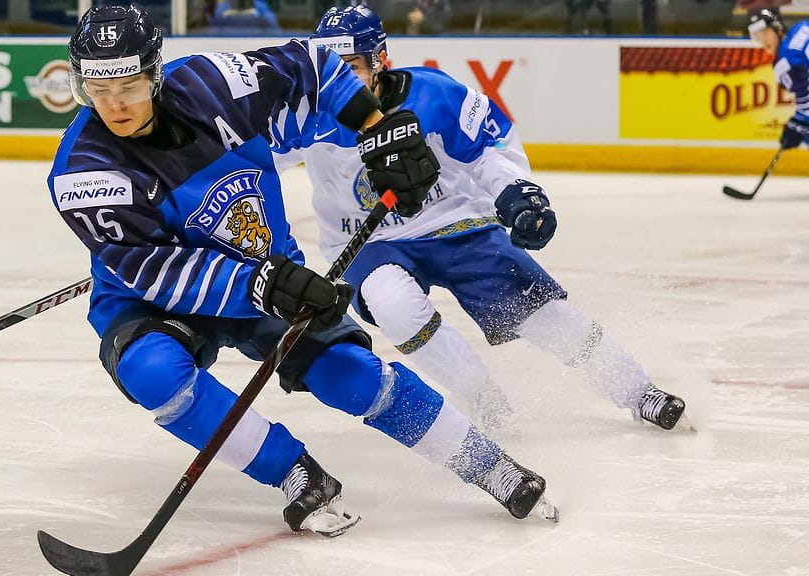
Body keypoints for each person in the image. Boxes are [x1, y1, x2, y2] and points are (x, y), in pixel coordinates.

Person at [48, 2, 558, 537]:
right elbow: (157, 271)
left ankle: (488, 463)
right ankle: (292, 472)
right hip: (151, 295)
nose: (114, 105)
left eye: (128, 86)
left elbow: (314, 65)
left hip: (262, 265)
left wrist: (378, 128)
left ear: (154, 74)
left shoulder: (212, 84)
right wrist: (262, 285)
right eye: (97, 90)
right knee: (152, 371)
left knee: (349, 372)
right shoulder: (83, 172)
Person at [274, 5, 688, 437]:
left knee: (541, 314)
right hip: (367, 243)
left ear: (379, 60)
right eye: (330, 68)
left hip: (453, 223)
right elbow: (253, 162)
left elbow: (489, 144)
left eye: (351, 66)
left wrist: (516, 193)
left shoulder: (433, 94)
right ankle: (483, 400)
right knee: (394, 306)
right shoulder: (305, 115)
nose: (338, 80)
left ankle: (638, 391)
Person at [749, 10, 809, 151]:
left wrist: (797, 126)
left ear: (778, 29)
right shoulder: (801, 26)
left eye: (765, 33)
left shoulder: (785, 63)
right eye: (758, 37)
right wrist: (797, 122)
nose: (763, 41)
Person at [209, 0, 279, 32]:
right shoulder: (224, 5)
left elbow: (273, 28)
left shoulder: (260, 4)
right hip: (229, 41)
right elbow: (214, 29)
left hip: (255, 39)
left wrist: (257, 15)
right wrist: (227, 15)